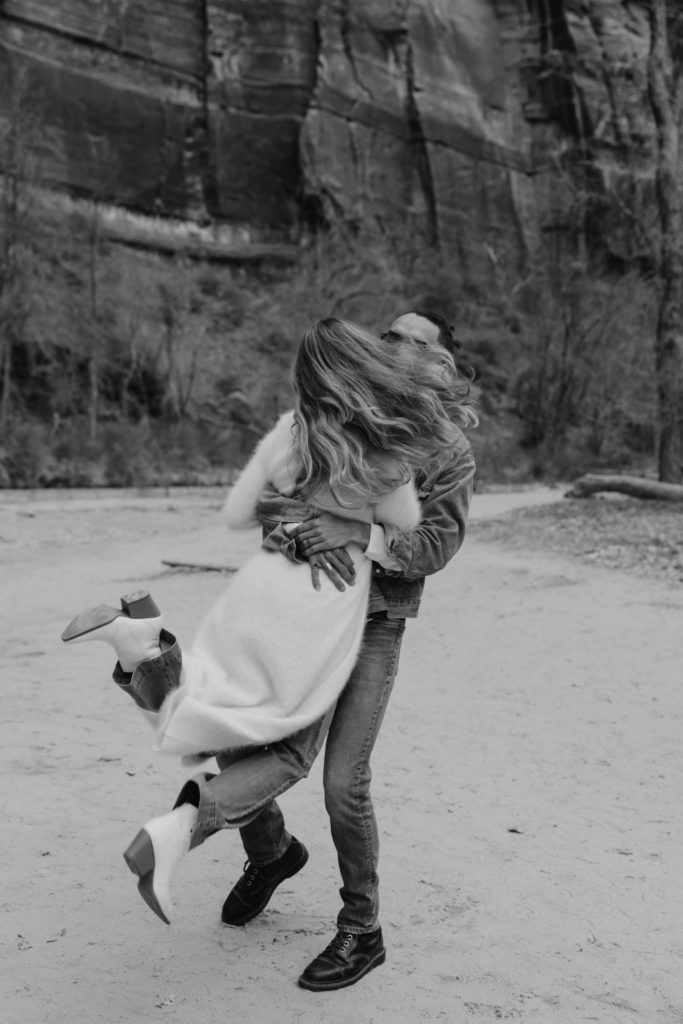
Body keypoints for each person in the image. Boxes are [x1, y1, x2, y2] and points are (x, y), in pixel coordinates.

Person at [62, 314, 475, 990]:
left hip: (373, 623)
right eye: (387, 337)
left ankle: (361, 930)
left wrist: (356, 533)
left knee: (343, 781)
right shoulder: (332, 409)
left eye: (411, 341)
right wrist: (297, 531)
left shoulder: (447, 448)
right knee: (235, 735)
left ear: (434, 359)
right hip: (302, 603)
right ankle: (273, 853)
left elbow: (434, 547)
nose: (395, 346)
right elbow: (273, 504)